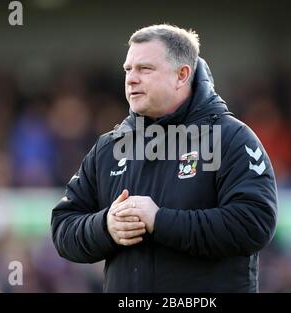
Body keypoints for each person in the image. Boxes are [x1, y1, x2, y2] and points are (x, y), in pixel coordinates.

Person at [51, 24, 278, 292]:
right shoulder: (109, 147)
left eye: (145, 69)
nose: (131, 79)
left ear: (181, 75)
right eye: (128, 70)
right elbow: (63, 226)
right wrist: (106, 226)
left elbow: (253, 223)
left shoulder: (231, 138)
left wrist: (160, 221)